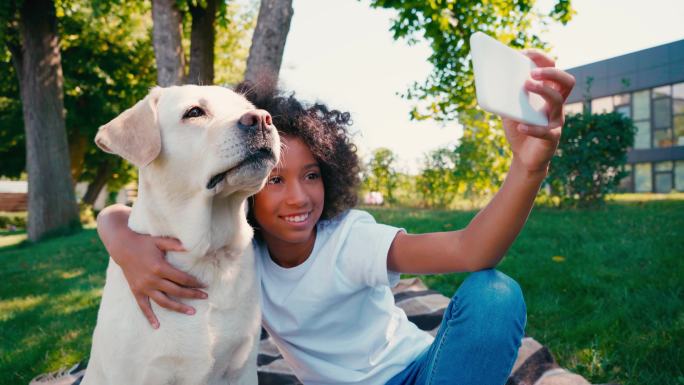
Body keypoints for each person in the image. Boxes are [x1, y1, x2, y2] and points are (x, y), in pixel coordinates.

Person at [96, 50, 575, 385]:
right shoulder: (244, 256)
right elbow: (135, 213)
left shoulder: (348, 240)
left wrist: (530, 165)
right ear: (252, 191)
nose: (298, 197)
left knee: (495, 292)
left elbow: (473, 251)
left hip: (422, 373)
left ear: (330, 176)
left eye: (312, 176)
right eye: (277, 180)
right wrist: (117, 232)